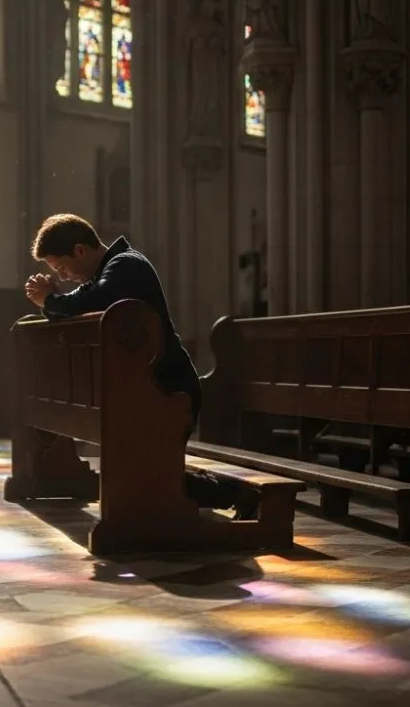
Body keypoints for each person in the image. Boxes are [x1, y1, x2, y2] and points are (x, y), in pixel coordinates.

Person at [24, 213, 255, 518]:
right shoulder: (106, 271)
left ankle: (238, 495)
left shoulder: (126, 265)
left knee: (146, 476)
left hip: (167, 388)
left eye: (62, 268)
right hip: (147, 387)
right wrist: (53, 301)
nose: (64, 277)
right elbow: (80, 302)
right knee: (136, 473)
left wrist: (51, 301)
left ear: (80, 250)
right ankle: (230, 495)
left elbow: (97, 300)